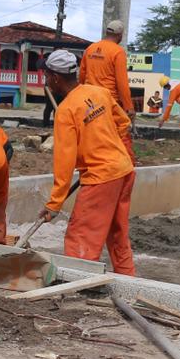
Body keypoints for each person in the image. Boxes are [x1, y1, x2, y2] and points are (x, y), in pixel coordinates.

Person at [38, 49, 136, 275]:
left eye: (46, 75)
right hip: (123, 170)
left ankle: (78, 282)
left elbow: (64, 163)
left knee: (81, 236)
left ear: (56, 77)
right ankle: (128, 278)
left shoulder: (66, 111)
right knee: (117, 233)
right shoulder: (99, 92)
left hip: (101, 178)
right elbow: (124, 123)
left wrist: (54, 204)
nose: (46, 80)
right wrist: (108, 145)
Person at [78, 19, 134, 119]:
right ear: (120, 35)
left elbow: (82, 75)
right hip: (108, 101)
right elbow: (122, 82)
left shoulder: (90, 48)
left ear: (106, 33)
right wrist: (128, 106)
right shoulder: (118, 52)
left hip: (89, 99)